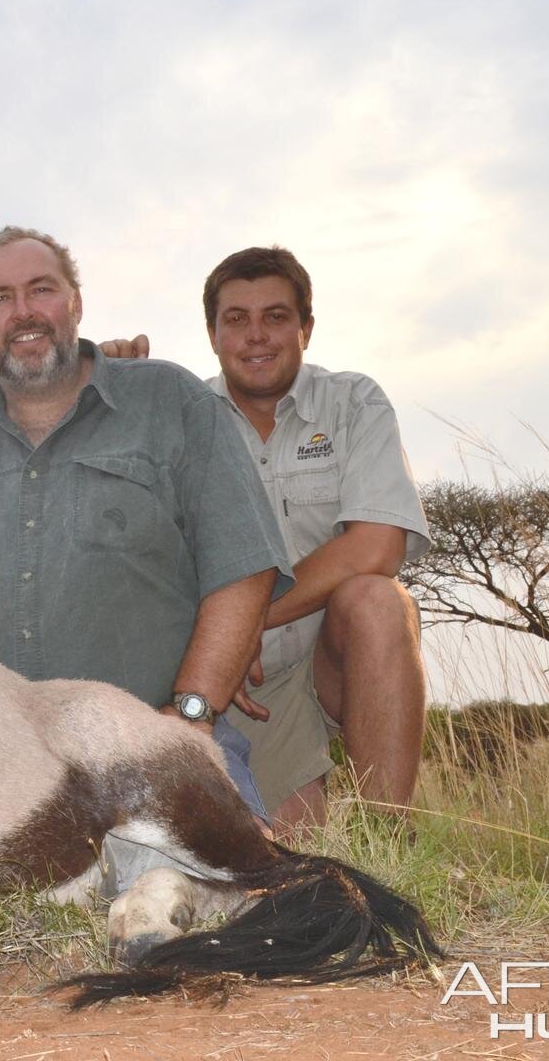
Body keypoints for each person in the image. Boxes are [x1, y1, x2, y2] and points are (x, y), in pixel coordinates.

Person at [0, 226, 293, 821]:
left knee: (238, 906)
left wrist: (188, 719)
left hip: (152, 754)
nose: (24, 312)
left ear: (75, 302)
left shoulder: (172, 401)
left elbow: (243, 570)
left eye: (41, 289)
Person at [102, 246, 431, 832]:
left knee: (379, 601)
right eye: (236, 319)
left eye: (276, 317)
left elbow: (377, 547)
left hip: (331, 659)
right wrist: (105, 398)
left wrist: (250, 618)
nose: (256, 336)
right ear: (211, 333)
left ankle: (391, 838)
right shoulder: (175, 416)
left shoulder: (355, 402)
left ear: (306, 327)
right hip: (243, 684)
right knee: (285, 860)